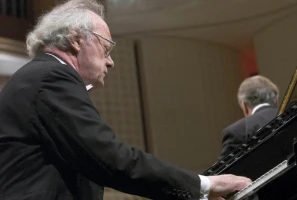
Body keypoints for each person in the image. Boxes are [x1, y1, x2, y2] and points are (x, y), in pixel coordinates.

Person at [0, 0, 251, 200]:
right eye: (106, 48)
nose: (110, 61)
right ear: (76, 40)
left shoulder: (37, 77)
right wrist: (203, 186)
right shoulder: (51, 77)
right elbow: (110, 158)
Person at [218, 75, 279, 160]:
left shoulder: (236, 132)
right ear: (275, 100)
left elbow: (223, 172)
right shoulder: (294, 113)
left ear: (244, 106)